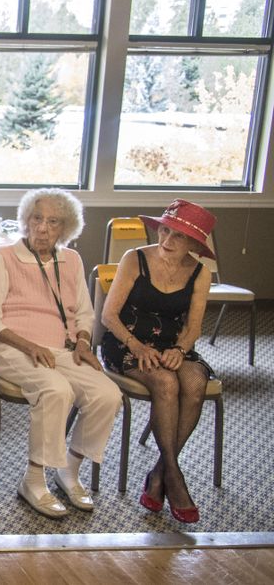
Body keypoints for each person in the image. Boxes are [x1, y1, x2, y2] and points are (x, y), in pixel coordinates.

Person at [0, 188, 120, 519]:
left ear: (65, 228)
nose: (43, 228)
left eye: (53, 222)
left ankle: (69, 471)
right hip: (11, 348)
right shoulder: (4, 257)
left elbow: (85, 312)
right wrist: (29, 345)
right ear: (25, 222)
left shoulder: (71, 260)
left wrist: (83, 342)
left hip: (63, 349)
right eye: (36, 219)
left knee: (107, 394)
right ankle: (34, 480)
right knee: (56, 390)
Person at [101, 199, 215, 524]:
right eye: (164, 230)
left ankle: (159, 473)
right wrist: (136, 346)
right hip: (126, 340)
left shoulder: (200, 273)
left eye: (178, 236)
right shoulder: (134, 258)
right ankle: (174, 479)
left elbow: (193, 328)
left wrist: (179, 350)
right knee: (165, 382)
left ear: (194, 244)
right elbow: (109, 315)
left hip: (171, 344)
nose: (166, 241)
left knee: (195, 381)